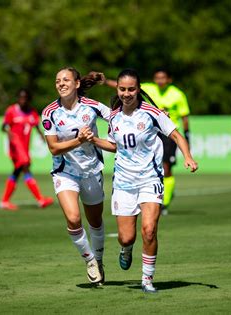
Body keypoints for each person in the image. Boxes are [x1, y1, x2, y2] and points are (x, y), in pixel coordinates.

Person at [91, 69, 198, 293]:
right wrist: (93, 140)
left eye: (131, 89)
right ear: (118, 89)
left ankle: (147, 280)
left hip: (150, 178)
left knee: (149, 230)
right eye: (122, 89)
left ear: (139, 89)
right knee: (126, 237)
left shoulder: (151, 112)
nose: (127, 93)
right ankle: (126, 249)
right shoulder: (114, 116)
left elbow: (176, 135)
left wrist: (187, 156)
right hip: (123, 182)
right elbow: (114, 145)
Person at [41, 67, 110, 285]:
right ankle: (89, 260)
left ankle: (99, 260)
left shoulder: (93, 107)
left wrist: (155, 114)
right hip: (65, 172)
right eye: (57, 80)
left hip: (91, 170)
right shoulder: (49, 112)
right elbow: (53, 148)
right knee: (73, 218)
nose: (61, 84)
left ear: (77, 84)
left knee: (95, 221)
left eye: (66, 80)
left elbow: (122, 115)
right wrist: (79, 140)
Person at [106, 68, 191, 214]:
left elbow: (184, 116)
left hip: (166, 132)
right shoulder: (148, 88)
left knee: (167, 168)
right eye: (157, 77)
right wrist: (105, 81)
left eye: (163, 78)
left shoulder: (177, 94)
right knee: (126, 238)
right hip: (145, 133)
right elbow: (124, 83)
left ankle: (165, 200)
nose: (160, 81)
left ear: (168, 79)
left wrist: (187, 139)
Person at [0, 88, 54, 211]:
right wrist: (8, 132)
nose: (22, 100)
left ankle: (5, 201)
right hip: (15, 147)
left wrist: (42, 136)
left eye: (25, 98)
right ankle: (40, 199)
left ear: (28, 99)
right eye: (21, 97)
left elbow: (36, 126)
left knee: (18, 171)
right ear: (18, 98)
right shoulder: (11, 111)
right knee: (25, 167)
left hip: (24, 147)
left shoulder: (32, 113)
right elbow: (3, 126)